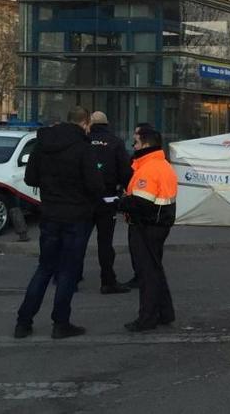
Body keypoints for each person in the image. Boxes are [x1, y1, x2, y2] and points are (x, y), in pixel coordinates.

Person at [15, 106, 104, 339]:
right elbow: (95, 185)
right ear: (85, 123)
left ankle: (23, 322)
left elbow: (30, 177)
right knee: (67, 271)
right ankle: (60, 323)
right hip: (76, 216)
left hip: (50, 214)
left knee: (44, 268)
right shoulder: (84, 148)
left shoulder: (43, 144)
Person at [118, 128, 178, 331]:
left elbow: (141, 202)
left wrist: (119, 203)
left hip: (146, 225)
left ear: (145, 144)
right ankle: (164, 312)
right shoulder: (160, 164)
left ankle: (148, 317)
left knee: (147, 274)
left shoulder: (149, 168)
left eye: (135, 142)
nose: (132, 146)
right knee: (155, 271)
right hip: (157, 224)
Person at [87, 111, 133, 294]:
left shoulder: (83, 141)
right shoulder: (115, 142)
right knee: (105, 242)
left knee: (79, 239)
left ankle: (70, 277)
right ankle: (107, 280)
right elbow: (125, 172)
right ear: (107, 125)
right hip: (107, 198)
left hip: (85, 198)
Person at [121, 122, 154, 290]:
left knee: (142, 251)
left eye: (136, 139)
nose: (133, 143)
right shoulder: (136, 159)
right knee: (137, 250)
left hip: (143, 216)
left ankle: (144, 278)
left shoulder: (149, 164)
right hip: (135, 214)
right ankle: (141, 276)